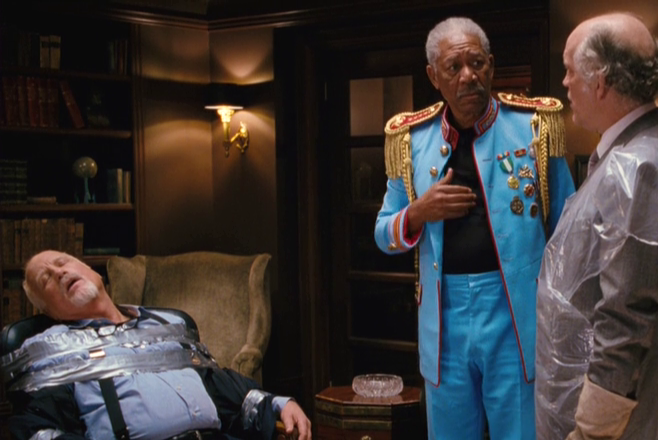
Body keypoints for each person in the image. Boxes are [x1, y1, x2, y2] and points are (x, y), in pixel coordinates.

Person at [374, 16, 575, 440]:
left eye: (477, 63)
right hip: (444, 319)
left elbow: (570, 232)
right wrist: (418, 212)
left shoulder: (534, 128)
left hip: (516, 314)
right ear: (434, 76)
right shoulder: (411, 141)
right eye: (454, 67)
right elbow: (383, 233)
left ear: (492, 66)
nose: (468, 76)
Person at [536, 12, 658, 440]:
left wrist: (591, 431)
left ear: (600, 81)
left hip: (630, 425)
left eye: (569, 70)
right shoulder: (640, 154)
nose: (564, 83)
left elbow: (625, 319)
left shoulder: (642, 166)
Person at [4, 250, 312, 440]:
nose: (59, 272)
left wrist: (279, 403)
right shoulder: (51, 350)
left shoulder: (165, 324)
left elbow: (216, 385)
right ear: (48, 311)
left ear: (92, 271)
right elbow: (39, 428)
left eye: (62, 263)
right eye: (47, 279)